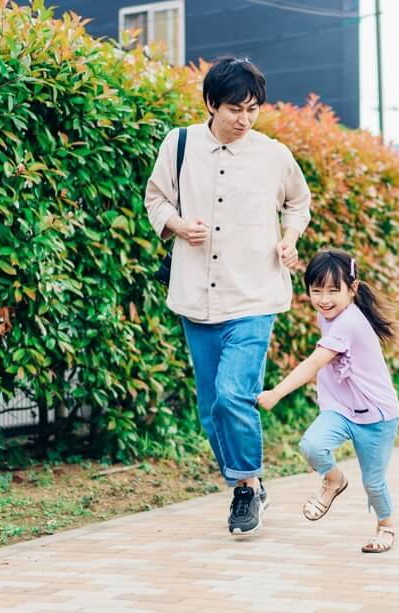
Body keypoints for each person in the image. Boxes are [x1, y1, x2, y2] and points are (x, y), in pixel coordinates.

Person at [144, 57, 311, 536]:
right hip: (196, 296)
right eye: (235, 109)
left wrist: (290, 237)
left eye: (253, 110)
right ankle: (251, 485)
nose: (244, 119)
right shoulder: (179, 145)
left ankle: (244, 488)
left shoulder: (274, 154)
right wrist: (177, 225)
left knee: (232, 395)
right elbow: (156, 199)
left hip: (255, 295)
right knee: (209, 408)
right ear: (211, 104)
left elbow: (298, 202)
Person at [257, 249, 399, 553]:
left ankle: (385, 526)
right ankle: (334, 480)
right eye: (316, 290)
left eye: (334, 290)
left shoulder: (349, 321)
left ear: (353, 289)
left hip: (377, 415)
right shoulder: (329, 314)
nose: (324, 299)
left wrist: (275, 394)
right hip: (341, 409)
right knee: (312, 445)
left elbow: (313, 363)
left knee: (374, 483)